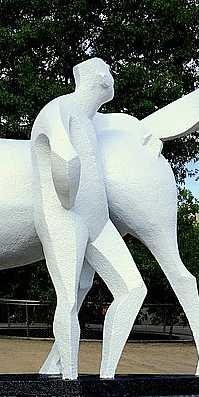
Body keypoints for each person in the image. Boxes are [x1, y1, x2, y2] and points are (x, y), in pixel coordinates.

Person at [30, 58, 146, 379]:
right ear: (96, 79)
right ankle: (69, 379)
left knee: (133, 289)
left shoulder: (93, 120)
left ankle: (106, 376)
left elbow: (127, 126)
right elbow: (62, 157)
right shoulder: (61, 109)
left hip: (97, 222)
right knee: (68, 299)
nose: (112, 77)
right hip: (66, 218)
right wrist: (67, 198)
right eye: (109, 71)